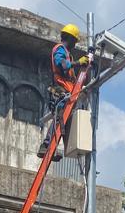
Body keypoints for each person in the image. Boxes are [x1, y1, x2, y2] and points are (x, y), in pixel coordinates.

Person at [37, 23, 88, 160]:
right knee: (60, 119)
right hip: (60, 91)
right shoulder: (60, 50)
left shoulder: (68, 55)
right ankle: (46, 145)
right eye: (75, 41)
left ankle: (50, 147)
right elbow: (61, 64)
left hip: (66, 91)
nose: (75, 44)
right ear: (71, 38)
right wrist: (78, 63)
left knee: (62, 121)